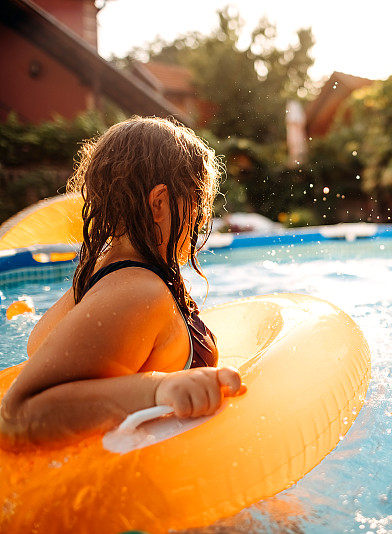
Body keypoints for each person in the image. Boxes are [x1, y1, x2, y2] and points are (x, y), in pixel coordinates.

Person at [0, 117, 246, 451]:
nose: (201, 218)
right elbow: (15, 416)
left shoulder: (100, 276)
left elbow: (38, 347)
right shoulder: (138, 291)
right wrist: (156, 390)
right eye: (197, 201)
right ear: (159, 203)